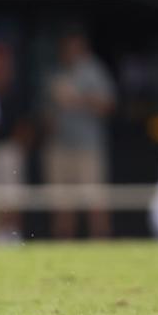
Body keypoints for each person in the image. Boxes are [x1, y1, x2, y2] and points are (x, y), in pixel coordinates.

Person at [41, 31, 115, 239]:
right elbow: (44, 116)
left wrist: (76, 99)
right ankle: (63, 252)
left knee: (95, 203)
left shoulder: (94, 71)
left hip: (87, 148)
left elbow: (108, 106)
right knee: (62, 205)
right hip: (59, 148)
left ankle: (103, 248)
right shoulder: (55, 74)